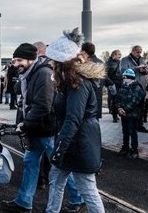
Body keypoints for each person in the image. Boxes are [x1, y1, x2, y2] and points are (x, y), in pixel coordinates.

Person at [45, 28, 105, 213]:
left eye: (53, 60)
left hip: (79, 143)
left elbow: (73, 119)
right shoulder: (70, 82)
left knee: (87, 188)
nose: (51, 63)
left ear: (62, 62)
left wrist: (60, 148)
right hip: (73, 141)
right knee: (56, 179)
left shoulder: (78, 84)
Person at [1, 43, 56, 213]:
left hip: (46, 129)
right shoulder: (28, 74)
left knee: (60, 167)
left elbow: (43, 105)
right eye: (14, 60)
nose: (16, 64)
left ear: (32, 59)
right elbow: (25, 97)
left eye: (19, 60)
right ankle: (24, 202)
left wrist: (25, 124)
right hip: (35, 129)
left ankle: (78, 199)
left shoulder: (44, 74)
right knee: (30, 163)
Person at [115, 69, 146, 159]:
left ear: (130, 78)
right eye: (123, 78)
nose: (124, 79)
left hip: (133, 114)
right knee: (125, 131)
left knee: (132, 132)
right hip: (124, 114)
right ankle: (125, 147)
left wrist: (124, 110)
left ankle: (134, 150)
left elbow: (134, 101)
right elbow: (118, 98)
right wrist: (119, 108)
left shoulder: (137, 87)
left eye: (125, 78)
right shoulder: (123, 86)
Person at [120, 45, 148, 133]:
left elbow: (147, 71)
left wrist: (145, 70)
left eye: (140, 52)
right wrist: (137, 68)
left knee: (141, 107)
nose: (139, 54)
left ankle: (139, 125)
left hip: (141, 86)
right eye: (137, 52)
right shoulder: (125, 60)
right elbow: (123, 71)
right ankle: (130, 126)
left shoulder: (142, 59)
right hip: (130, 87)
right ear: (133, 51)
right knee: (131, 106)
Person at [80, 42, 105, 120]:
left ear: (84, 51)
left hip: (87, 95)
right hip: (98, 94)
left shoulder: (85, 63)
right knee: (95, 120)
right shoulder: (100, 62)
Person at [106, 50, 123, 123]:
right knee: (114, 99)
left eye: (120, 54)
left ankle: (116, 113)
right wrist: (110, 83)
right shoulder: (109, 63)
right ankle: (114, 116)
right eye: (118, 54)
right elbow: (105, 74)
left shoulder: (120, 62)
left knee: (119, 99)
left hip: (120, 83)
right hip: (112, 84)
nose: (120, 56)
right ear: (114, 55)